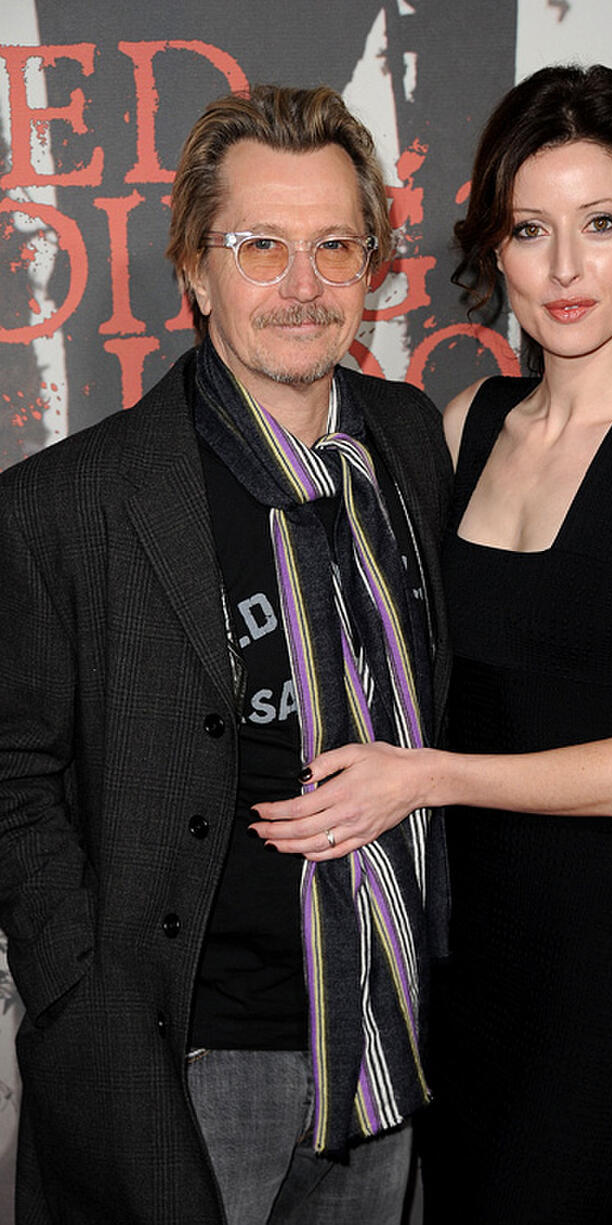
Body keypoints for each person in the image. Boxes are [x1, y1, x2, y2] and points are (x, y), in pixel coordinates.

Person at [248, 64, 612, 1223]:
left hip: (594, 971)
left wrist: (424, 779)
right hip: (447, 957)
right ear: (495, 246)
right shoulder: (466, 424)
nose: (566, 269)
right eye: (532, 229)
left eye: (601, 224)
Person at [0, 84, 452, 1225]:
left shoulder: (407, 445)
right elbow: (10, 780)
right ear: (196, 271)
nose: (302, 287)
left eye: (334, 246)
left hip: (381, 1039)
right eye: (261, 247)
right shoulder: (68, 503)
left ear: (371, 267)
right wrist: (81, 997)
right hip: (181, 1063)